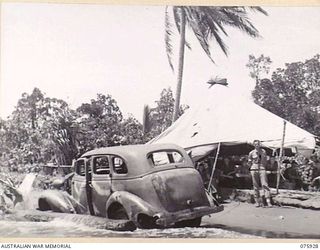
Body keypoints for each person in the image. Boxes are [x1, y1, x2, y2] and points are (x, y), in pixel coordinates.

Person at [248, 140, 272, 207]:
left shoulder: (263, 151)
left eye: (258, 144)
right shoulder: (251, 153)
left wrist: (263, 167)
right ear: (254, 145)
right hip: (254, 169)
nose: (257, 145)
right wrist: (252, 166)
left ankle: (268, 201)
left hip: (262, 168)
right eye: (255, 144)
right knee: (255, 185)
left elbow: (265, 161)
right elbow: (249, 162)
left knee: (265, 184)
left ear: (260, 144)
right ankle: (257, 201)